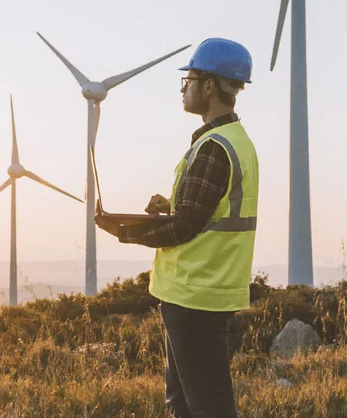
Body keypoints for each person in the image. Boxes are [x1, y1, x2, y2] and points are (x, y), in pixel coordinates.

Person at [94, 37, 259, 418]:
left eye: (189, 78)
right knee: (186, 404)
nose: (183, 87)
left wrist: (122, 229)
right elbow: (212, 212)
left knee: (206, 407)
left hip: (196, 295)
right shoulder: (236, 141)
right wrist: (171, 206)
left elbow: (185, 227)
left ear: (210, 86)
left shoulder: (215, 147)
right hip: (205, 292)